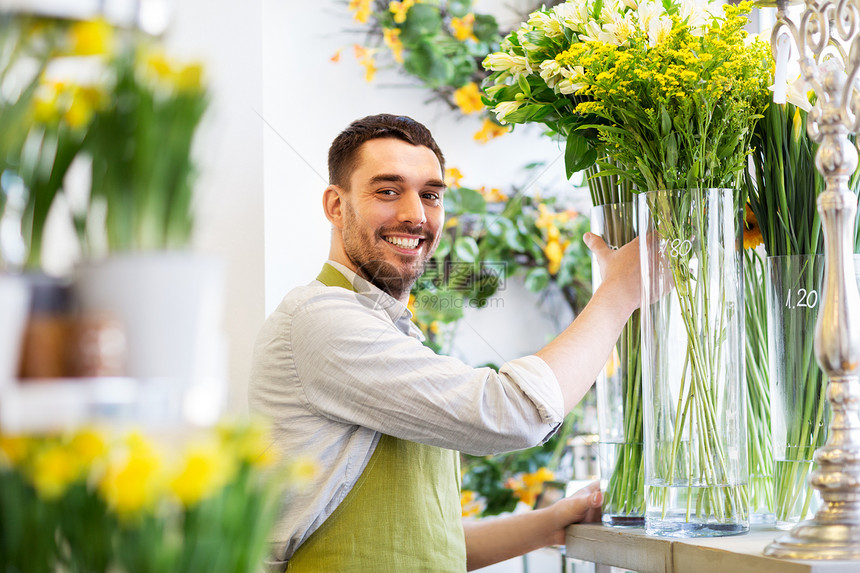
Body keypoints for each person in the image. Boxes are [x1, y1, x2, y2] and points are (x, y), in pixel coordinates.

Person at [248, 113, 641, 572]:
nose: (416, 215)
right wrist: (620, 292)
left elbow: (431, 543)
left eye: (430, 195)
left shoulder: (391, 332)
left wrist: (554, 522)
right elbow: (511, 412)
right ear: (336, 205)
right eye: (388, 190)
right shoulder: (319, 320)